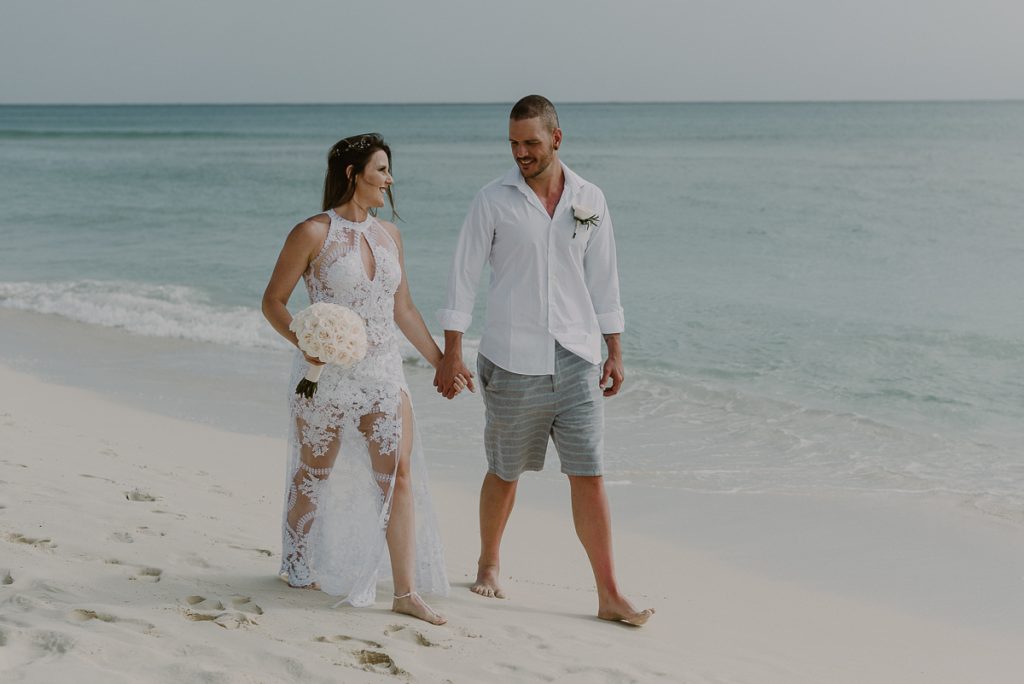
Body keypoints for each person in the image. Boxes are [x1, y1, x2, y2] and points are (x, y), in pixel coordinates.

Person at [435, 95, 654, 626]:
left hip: (578, 357)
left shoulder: (589, 198)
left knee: (589, 473)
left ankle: (609, 593)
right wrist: (452, 351)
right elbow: (463, 275)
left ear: (557, 138)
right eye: (513, 143)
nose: (521, 153)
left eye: (531, 142)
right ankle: (489, 563)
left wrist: (614, 349)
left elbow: (604, 278)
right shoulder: (493, 200)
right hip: (512, 359)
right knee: (505, 471)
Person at [263, 133, 465, 625]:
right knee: (314, 472)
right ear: (353, 174)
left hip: (383, 372)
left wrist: (442, 361)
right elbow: (274, 302)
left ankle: (405, 592)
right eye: (381, 169)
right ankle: (297, 562)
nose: (389, 179)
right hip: (327, 375)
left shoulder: (390, 235)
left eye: (389, 170)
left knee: (398, 474)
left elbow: (403, 308)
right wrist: (307, 343)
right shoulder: (312, 232)